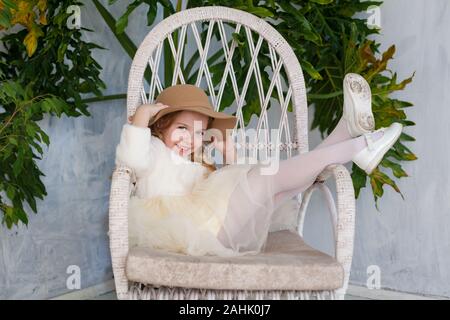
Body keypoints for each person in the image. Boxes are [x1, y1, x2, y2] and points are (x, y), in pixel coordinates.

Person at [115, 75, 403, 257]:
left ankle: (345, 134)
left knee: (275, 190)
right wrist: (141, 117)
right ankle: (358, 146)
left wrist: (230, 156)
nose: (191, 139)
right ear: (161, 125)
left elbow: (228, 190)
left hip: (215, 227)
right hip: (191, 231)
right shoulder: (152, 150)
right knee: (268, 178)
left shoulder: (196, 161)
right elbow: (133, 160)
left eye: (200, 132)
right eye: (181, 128)